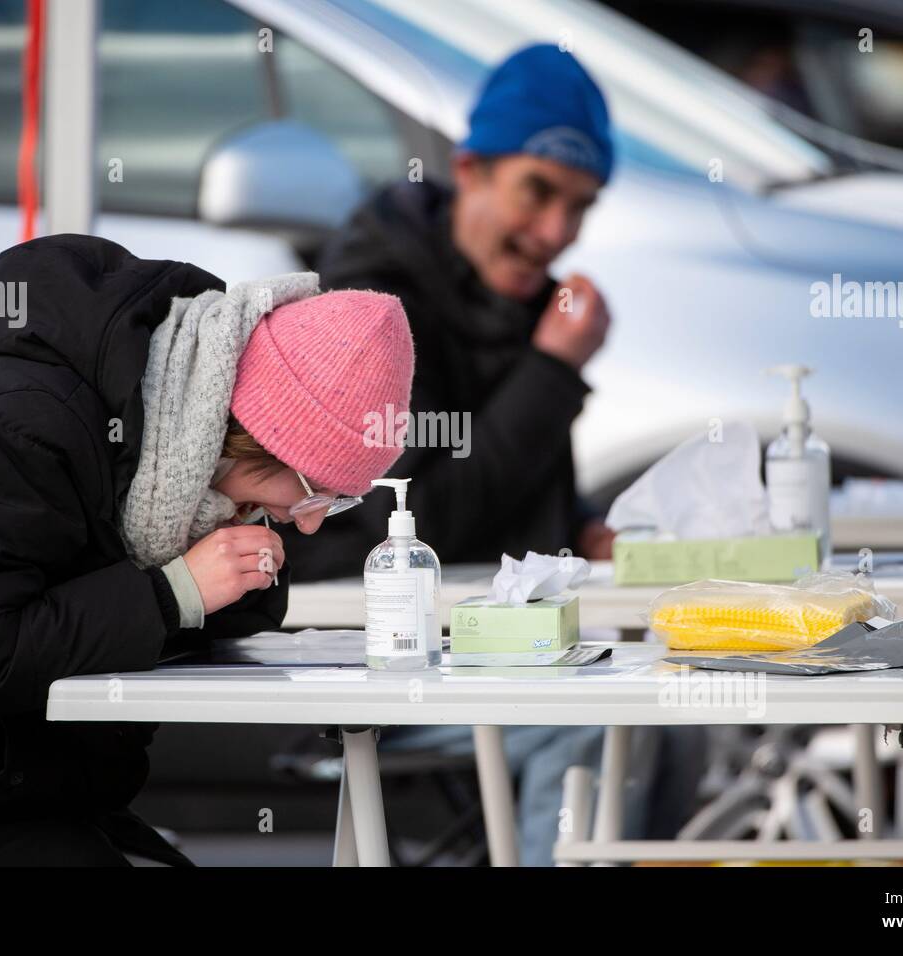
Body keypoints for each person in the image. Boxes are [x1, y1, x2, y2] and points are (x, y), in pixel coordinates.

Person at [0, 234, 414, 866]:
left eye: (336, 503)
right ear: (250, 435)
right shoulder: (19, 430)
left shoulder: (173, 457)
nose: (308, 527)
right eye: (311, 492)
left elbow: (213, 626)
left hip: (28, 807)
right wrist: (173, 592)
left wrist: (221, 579)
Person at [284, 44, 705, 865]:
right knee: (590, 719)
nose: (555, 233)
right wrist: (552, 371)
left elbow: (510, 487)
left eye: (580, 207)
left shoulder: (509, 292)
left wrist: (581, 529)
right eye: (537, 193)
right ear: (470, 169)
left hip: (488, 636)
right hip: (366, 645)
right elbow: (416, 519)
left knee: (677, 704)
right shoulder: (373, 303)